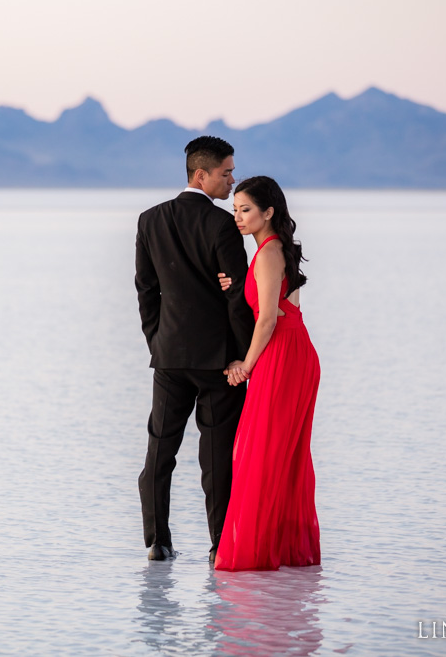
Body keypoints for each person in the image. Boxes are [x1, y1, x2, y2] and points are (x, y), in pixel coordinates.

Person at [135, 136, 255, 562]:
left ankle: (157, 541)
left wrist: (157, 341)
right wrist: (243, 355)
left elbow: (146, 292)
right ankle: (219, 546)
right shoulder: (222, 224)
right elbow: (238, 298)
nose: (231, 180)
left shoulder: (149, 220)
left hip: (168, 358)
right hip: (220, 361)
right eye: (226, 172)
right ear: (200, 174)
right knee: (216, 458)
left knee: (159, 452)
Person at [213, 175, 321, 571]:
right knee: (274, 452)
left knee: (260, 451)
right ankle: (280, 549)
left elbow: (269, 320)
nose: (237, 217)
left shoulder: (271, 253)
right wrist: (238, 285)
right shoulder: (272, 252)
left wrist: (246, 365)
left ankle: (258, 553)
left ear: (269, 212)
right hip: (294, 351)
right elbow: (279, 304)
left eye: (246, 210)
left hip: (282, 355)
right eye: (235, 209)